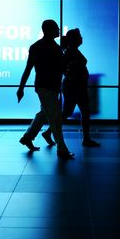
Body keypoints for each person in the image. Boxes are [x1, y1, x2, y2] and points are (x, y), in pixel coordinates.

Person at [17, 19, 74, 159]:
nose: (59, 30)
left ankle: (28, 137)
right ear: (49, 30)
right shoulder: (54, 48)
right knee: (55, 117)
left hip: (45, 86)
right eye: (56, 28)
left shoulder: (37, 47)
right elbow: (62, 67)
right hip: (48, 86)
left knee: (45, 113)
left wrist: (21, 88)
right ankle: (62, 149)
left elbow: (28, 68)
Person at [43, 28, 100, 147]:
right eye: (79, 36)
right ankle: (85, 138)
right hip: (75, 87)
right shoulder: (70, 53)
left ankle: (49, 132)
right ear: (73, 39)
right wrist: (75, 82)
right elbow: (67, 71)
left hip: (76, 86)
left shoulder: (73, 51)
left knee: (72, 112)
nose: (81, 38)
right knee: (75, 112)